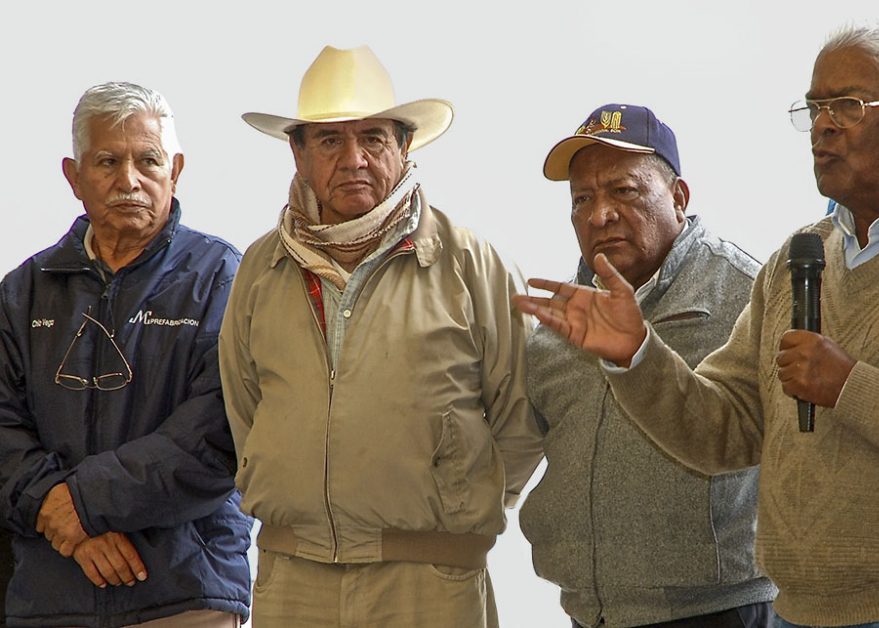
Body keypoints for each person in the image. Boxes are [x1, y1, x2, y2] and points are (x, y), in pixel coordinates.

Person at [514, 23, 879, 627]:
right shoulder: (797, 258)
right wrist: (637, 355)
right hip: (799, 613)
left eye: (847, 106)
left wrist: (850, 387)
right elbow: (723, 432)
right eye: (813, 109)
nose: (823, 126)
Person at [219, 45, 543, 627]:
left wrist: (459, 502)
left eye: (372, 137)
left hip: (434, 582)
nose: (354, 159)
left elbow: (523, 416)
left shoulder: (470, 263)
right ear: (297, 153)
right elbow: (246, 409)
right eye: (329, 141)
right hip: (293, 577)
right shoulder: (260, 269)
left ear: (404, 145)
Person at [0, 82, 252, 626]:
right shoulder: (22, 292)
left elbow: (220, 435)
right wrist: (58, 513)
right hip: (49, 592)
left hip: (184, 594)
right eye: (108, 161)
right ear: (73, 176)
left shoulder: (225, 281)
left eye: (148, 160)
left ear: (176, 170)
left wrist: (81, 505)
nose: (129, 180)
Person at [519, 104, 775, 628]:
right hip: (591, 614)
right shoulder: (556, 328)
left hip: (722, 611)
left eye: (624, 191)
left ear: (679, 197)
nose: (599, 215)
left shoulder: (750, 296)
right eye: (582, 199)